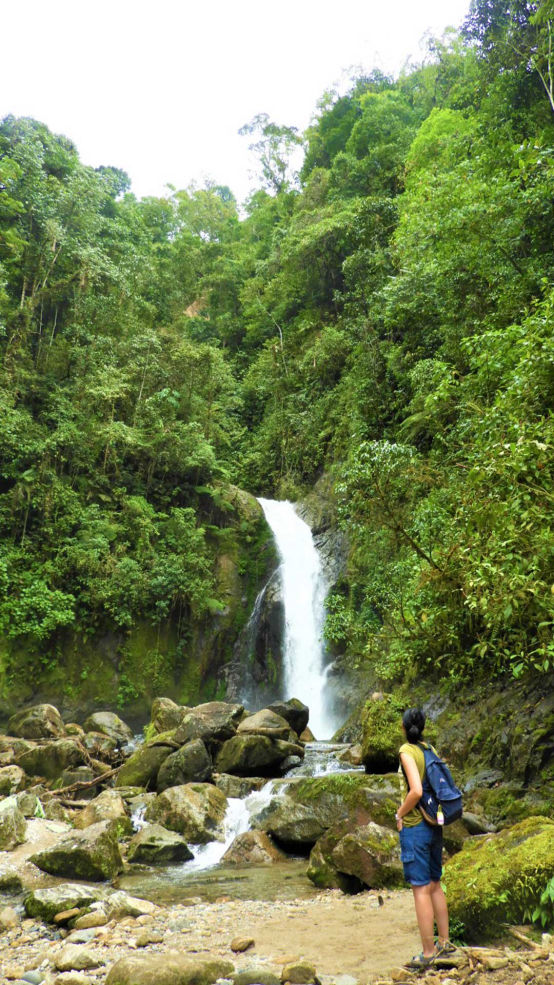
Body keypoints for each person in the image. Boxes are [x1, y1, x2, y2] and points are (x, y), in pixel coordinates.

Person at [396, 707, 455, 970]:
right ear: (423, 727)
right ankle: (444, 942)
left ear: (403, 727)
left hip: (416, 827)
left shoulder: (407, 751)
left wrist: (399, 813)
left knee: (420, 889)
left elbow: (416, 791)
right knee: (435, 883)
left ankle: (428, 952)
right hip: (435, 823)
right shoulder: (429, 748)